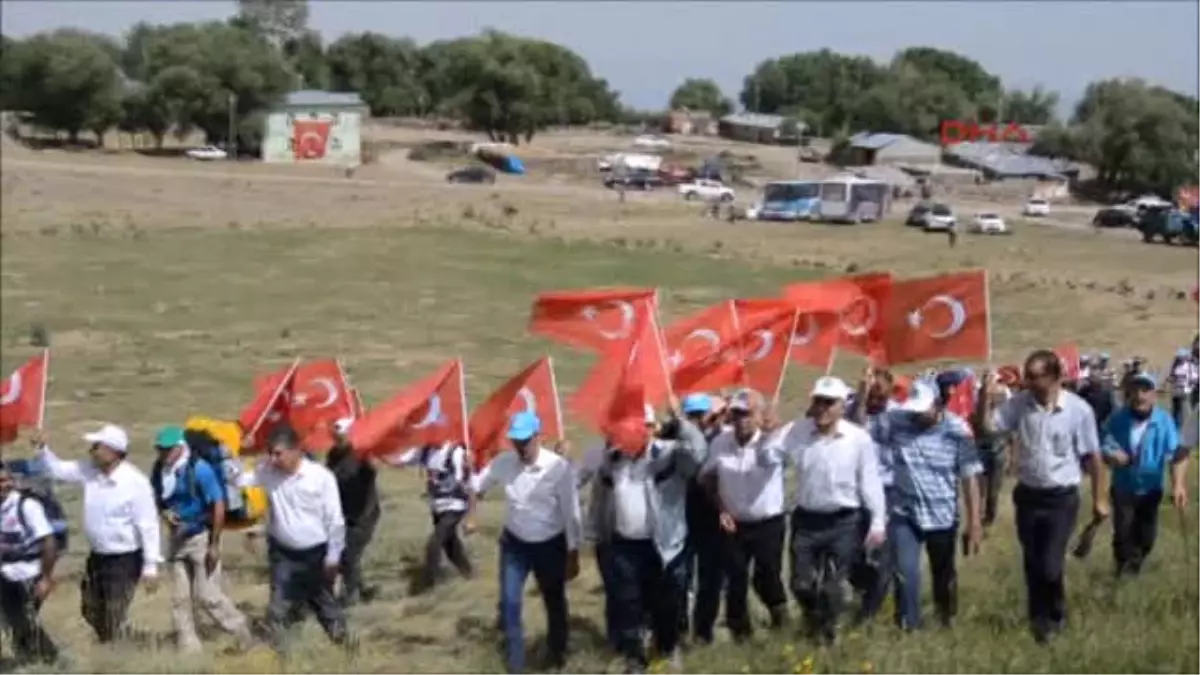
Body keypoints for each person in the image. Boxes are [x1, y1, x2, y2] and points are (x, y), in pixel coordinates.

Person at [974, 350, 1106, 644]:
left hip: (1061, 499)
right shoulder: (1019, 405)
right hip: (1029, 497)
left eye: (1036, 377)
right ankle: (1039, 622)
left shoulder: (1078, 410)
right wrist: (984, 393)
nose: (1029, 382)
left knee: (1050, 563)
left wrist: (1099, 498)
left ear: (1056, 377)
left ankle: (1055, 615)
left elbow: (1093, 457)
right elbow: (986, 428)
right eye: (1027, 376)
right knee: (1032, 562)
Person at [760, 376, 886, 643]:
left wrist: (877, 520)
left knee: (834, 586)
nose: (822, 408)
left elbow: (870, 481)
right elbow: (766, 458)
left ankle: (828, 634)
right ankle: (815, 617)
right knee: (800, 584)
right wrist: (769, 433)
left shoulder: (857, 438)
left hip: (844, 520)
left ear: (842, 406)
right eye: (818, 401)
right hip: (807, 519)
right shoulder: (797, 431)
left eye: (829, 403)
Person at [585, 402, 706, 671]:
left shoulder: (671, 455)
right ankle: (634, 657)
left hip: (663, 545)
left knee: (667, 602)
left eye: (640, 426)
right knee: (627, 602)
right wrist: (594, 533)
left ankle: (667, 647)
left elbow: (698, 455)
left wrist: (682, 424)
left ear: (652, 429)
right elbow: (600, 497)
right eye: (627, 427)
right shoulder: (613, 460)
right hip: (624, 544)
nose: (631, 433)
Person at [473, 411, 582, 674]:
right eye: (516, 441)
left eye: (525, 441)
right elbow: (476, 486)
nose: (520, 447)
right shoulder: (504, 463)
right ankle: (516, 664)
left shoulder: (558, 468)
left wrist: (573, 553)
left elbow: (572, 513)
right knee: (510, 602)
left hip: (550, 545)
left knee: (553, 601)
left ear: (538, 437)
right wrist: (470, 514)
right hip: (515, 545)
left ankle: (557, 655)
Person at [33, 425, 161, 644]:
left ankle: (115, 652)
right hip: (98, 556)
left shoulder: (135, 483)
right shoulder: (89, 470)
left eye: (97, 446)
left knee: (113, 610)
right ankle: (115, 640)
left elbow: (148, 525)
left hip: (125, 558)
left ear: (113, 451)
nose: (92, 451)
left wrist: (151, 566)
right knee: (89, 607)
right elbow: (58, 469)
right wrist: (43, 448)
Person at [878, 377, 983, 631]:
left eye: (922, 410)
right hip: (905, 513)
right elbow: (860, 424)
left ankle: (945, 618)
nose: (917, 416)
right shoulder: (896, 421)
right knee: (905, 572)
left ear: (937, 405)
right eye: (914, 409)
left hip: (943, 514)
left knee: (943, 573)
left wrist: (975, 522)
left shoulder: (959, 431)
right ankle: (908, 626)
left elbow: (970, 478)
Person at [241, 424, 352, 654]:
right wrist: (236, 453)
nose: (273, 458)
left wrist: (333, 557)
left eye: (278, 453)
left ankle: (347, 649)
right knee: (279, 606)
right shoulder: (268, 471)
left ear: (296, 450)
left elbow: (335, 521)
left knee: (323, 605)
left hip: (315, 555)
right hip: (283, 553)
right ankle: (283, 656)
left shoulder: (321, 478)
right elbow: (239, 480)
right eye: (270, 452)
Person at [150, 425, 253, 653]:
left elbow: (218, 504)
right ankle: (189, 650)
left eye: (167, 449)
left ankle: (240, 630)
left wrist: (214, 544)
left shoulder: (200, 469)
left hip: (201, 538)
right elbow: (158, 500)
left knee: (208, 596)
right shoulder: (160, 471)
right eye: (160, 449)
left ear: (179, 447)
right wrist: (165, 513)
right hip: (177, 539)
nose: (162, 454)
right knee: (179, 599)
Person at [699, 390, 789, 641]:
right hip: (733, 522)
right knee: (735, 577)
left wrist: (771, 434)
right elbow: (707, 477)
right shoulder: (721, 442)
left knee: (767, 574)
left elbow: (775, 459)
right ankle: (740, 632)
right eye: (736, 414)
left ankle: (780, 614)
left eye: (747, 414)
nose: (742, 420)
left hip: (767, 521)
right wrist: (721, 509)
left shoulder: (773, 441)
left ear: (759, 415)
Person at [1101, 372, 1189, 576]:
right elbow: (1103, 440)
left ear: (1154, 395)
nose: (1140, 395)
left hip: (1151, 488)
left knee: (1147, 536)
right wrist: (1111, 453)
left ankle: (1136, 565)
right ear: (1128, 393)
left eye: (1145, 390)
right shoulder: (1117, 418)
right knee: (1123, 533)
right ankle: (1122, 571)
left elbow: (1176, 454)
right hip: (1124, 486)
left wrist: (1178, 485)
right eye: (1135, 390)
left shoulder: (1164, 420)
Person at [847, 367, 899, 622]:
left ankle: (868, 613)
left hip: (887, 490)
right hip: (856, 492)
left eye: (882, 397)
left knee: (882, 554)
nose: (877, 402)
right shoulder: (852, 408)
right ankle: (860, 586)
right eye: (873, 397)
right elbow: (856, 426)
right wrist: (861, 398)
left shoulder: (898, 413)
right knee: (852, 552)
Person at [390, 438, 475, 592]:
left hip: (455, 505)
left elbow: (469, 482)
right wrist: (376, 451)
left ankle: (428, 587)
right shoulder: (424, 450)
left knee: (434, 543)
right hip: (437, 507)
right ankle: (469, 574)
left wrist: (471, 516)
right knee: (450, 545)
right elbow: (399, 462)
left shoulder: (455, 452)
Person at [0, 460, 62, 667]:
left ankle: (51, 660)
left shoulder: (27, 506)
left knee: (23, 619)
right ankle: (29, 660)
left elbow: (49, 541)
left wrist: (45, 578)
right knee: (12, 620)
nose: (4, 485)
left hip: (28, 573)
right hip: (5, 573)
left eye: (6, 480)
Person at [678, 393, 726, 645]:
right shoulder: (678, 442)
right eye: (692, 416)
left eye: (701, 415)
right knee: (680, 577)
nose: (697, 420)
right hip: (682, 518)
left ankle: (703, 631)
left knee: (710, 578)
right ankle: (680, 627)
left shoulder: (721, 440)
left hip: (712, 517)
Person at [326, 418, 381, 605]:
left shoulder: (362, 454)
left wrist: (369, 460)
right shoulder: (333, 455)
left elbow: (372, 470)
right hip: (342, 513)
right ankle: (363, 591)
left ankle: (350, 597)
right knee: (343, 555)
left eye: (340, 434)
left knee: (349, 555)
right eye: (334, 435)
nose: (336, 438)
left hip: (363, 515)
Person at [1167, 348, 1199, 430]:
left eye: (1181, 356)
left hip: (1186, 391)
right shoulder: (1176, 365)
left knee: (1186, 411)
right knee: (1175, 410)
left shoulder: (1190, 366)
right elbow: (1172, 376)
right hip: (1176, 391)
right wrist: (1172, 379)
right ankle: (1175, 428)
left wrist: (1190, 383)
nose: (1180, 358)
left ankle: (1189, 429)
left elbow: (1195, 377)